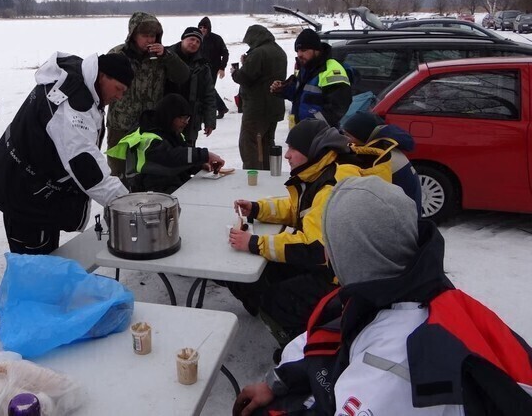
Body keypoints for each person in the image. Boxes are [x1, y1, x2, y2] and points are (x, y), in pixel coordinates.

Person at [233, 177, 532, 416]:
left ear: (353, 256)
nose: (326, 253)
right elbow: (329, 347)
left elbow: (375, 384)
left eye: (332, 245)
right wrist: (279, 381)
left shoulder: (395, 362)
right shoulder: (411, 291)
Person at [227, 119, 382, 342]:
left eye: (293, 148)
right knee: (267, 271)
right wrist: (257, 209)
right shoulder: (323, 171)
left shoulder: (332, 185)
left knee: (276, 296)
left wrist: (254, 243)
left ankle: (299, 346)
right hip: (335, 264)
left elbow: (313, 248)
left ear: (313, 150)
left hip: (343, 278)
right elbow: (298, 209)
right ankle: (268, 311)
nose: (287, 155)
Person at [0, 53, 133, 255]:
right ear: (103, 76)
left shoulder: (83, 84)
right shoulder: (72, 105)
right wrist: (130, 206)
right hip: (22, 189)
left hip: (36, 186)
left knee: (47, 249)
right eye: (119, 89)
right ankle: (32, 286)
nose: (119, 97)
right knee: (34, 261)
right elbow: (87, 168)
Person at [106, 12, 190, 178]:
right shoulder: (117, 54)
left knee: (147, 172)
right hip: (121, 125)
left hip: (149, 127)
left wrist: (167, 56)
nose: (150, 40)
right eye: (145, 35)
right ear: (133, 35)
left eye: (153, 36)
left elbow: (183, 76)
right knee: (119, 173)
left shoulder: (161, 57)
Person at [107, 93, 225, 194]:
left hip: (167, 185)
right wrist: (205, 155)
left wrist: (197, 165)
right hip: (147, 193)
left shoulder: (172, 132)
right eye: (182, 118)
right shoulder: (146, 136)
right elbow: (170, 157)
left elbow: (181, 157)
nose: (186, 123)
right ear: (170, 115)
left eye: (187, 119)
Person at [342, 110, 423, 215]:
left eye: (348, 135)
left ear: (363, 136)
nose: (345, 139)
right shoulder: (382, 147)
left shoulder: (382, 159)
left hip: (403, 216)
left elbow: (373, 198)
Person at [231, 25, 287, 170]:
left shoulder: (258, 53)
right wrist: (247, 63)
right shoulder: (279, 51)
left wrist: (235, 72)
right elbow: (265, 75)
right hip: (274, 106)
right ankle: (269, 175)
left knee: (249, 143)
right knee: (267, 143)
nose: (249, 45)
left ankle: (252, 176)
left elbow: (246, 77)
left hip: (257, 108)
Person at [271, 28, 351, 129]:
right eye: (298, 51)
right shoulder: (306, 67)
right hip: (302, 132)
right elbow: (301, 95)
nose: (300, 54)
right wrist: (283, 89)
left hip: (321, 134)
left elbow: (337, 109)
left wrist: (312, 126)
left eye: (304, 50)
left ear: (316, 50)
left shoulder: (331, 70)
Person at [165, 27, 216, 146]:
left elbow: (209, 95)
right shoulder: (166, 56)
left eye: (198, 42)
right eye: (191, 39)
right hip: (166, 116)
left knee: (188, 155)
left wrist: (210, 121)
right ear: (183, 39)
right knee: (165, 152)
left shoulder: (203, 65)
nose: (194, 43)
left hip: (190, 118)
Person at [198, 16, 230, 118]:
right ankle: (216, 108)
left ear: (209, 28)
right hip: (199, 68)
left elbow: (225, 53)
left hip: (213, 68)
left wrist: (222, 68)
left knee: (209, 89)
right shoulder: (197, 39)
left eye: (205, 27)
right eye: (201, 27)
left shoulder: (216, 39)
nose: (202, 29)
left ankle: (221, 108)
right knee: (203, 89)